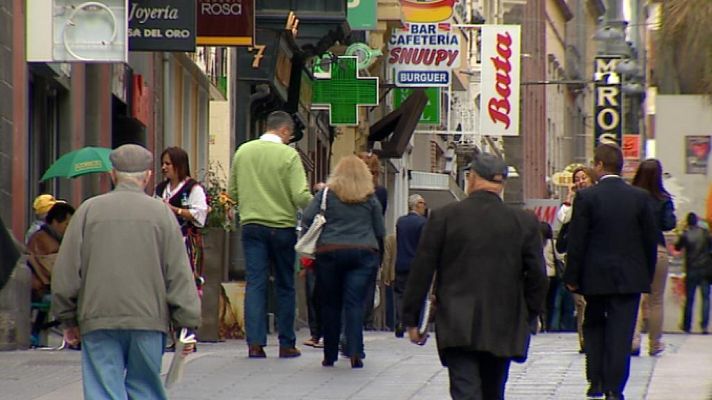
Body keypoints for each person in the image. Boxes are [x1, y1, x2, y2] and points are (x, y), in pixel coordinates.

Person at [52, 144, 201, 400]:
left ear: (112, 174)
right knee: (145, 389)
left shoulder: (88, 211)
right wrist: (186, 321)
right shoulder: (162, 214)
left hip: (98, 317)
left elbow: (66, 272)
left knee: (103, 389)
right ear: (148, 177)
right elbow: (178, 271)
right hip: (148, 320)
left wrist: (68, 318)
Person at [403, 152, 548, 400]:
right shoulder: (524, 222)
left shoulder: (444, 217)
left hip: (457, 319)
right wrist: (530, 314)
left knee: (464, 389)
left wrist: (412, 319)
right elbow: (537, 275)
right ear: (501, 184)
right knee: (494, 390)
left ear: (471, 178)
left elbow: (422, 269)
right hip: (503, 322)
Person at [563, 144, 658, 400]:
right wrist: (646, 275)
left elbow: (577, 240)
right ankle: (615, 388)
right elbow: (650, 240)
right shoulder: (639, 198)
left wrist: (572, 277)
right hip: (630, 277)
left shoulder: (587, 197)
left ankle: (596, 381)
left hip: (595, 277)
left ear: (599, 165)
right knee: (621, 331)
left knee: (594, 326)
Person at [228, 110, 312, 358]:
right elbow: (299, 196)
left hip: (252, 225)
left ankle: (255, 343)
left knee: (256, 283)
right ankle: (286, 343)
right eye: (290, 135)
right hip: (282, 226)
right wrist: (316, 205)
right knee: (285, 285)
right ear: (284, 130)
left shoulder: (243, 151)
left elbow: (232, 191)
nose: (290, 140)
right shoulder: (289, 156)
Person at [301, 155, 385, 368]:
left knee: (330, 304)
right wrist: (379, 258)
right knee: (354, 303)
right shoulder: (369, 197)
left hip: (330, 252)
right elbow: (380, 230)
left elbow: (308, 218)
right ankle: (355, 351)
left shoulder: (326, 194)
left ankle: (330, 355)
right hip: (363, 253)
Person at [630, 159, 676, 356]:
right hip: (657, 250)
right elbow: (668, 224)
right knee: (656, 299)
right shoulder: (663, 198)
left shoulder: (631, 197)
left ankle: (633, 340)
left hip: (635, 251)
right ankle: (655, 343)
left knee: (636, 297)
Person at [155, 146, 208, 292]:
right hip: (164, 240)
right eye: (163, 164)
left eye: (168, 164)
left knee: (185, 278)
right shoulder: (160, 188)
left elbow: (199, 213)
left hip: (185, 241)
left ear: (178, 165)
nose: (164, 167)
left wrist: (175, 210)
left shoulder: (192, 188)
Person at [556, 166, 598, 352]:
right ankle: (584, 340)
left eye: (584, 178)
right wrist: (570, 197)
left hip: (593, 257)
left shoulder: (597, 198)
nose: (580, 181)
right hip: (575, 257)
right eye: (577, 179)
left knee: (591, 303)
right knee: (580, 303)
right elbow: (562, 217)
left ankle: (593, 337)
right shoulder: (575, 202)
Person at [357, 152, 387, 331]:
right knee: (368, 285)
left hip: (346, 242)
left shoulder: (344, 189)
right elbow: (379, 222)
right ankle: (363, 320)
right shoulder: (380, 193)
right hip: (372, 244)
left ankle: (351, 321)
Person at [393, 194, 427, 338]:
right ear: (418, 204)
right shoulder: (423, 223)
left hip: (401, 263)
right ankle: (415, 325)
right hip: (417, 265)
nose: (425, 207)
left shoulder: (401, 222)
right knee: (417, 295)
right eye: (423, 203)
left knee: (401, 294)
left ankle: (400, 321)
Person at [674, 212, 711, 334]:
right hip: (705, 270)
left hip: (691, 270)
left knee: (690, 299)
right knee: (705, 298)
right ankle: (704, 326)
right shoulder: (705, 234)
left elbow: (677, 247)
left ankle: (687, 325)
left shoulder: (685, 234)